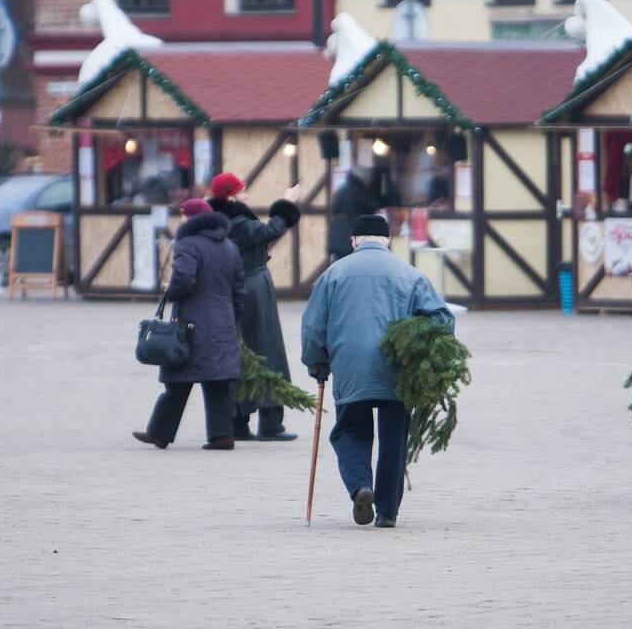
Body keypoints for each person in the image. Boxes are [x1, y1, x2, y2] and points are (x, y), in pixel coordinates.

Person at [301, 214, 454, 528]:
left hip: (349, 365)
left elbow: (314, 325)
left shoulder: (334, 274)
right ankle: (387, 512)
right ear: (387, 241)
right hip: (397, 368)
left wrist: (317, 362)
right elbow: (442, 320)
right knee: (394, 437)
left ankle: (361, 486)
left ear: (354, 241)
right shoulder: (410, 274)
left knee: (350, 430)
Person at [133, 199, 246, 450]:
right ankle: (222, 436)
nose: (182, 220)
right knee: (216, 382)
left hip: (193, 323)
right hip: (222, 322)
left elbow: (183, 277)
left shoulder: (188, 243)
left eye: (184, 216)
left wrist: (170, 293)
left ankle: (159, 432)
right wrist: (233, 318)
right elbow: (239, 289)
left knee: (176, 379)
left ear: (192, 219)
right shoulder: (229, 246)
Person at [207, 172, 301, 441]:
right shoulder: (235, 221)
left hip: (241, 288)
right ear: (230, 196)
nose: (246, 195)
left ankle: (239, 421)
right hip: (253, 290)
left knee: (245, 351)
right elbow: (269, 230)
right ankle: (271, 424)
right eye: (242, 191)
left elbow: (257, 242)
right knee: (267, 349)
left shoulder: (223, 220)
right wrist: (286, 203)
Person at [328, 165, 381, 261]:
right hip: (350, 241)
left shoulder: (342, 189)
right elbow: (373, 205)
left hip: (339, 241)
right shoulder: (359, 190)